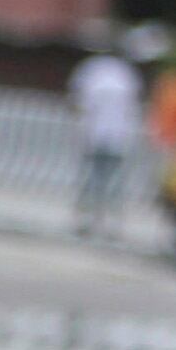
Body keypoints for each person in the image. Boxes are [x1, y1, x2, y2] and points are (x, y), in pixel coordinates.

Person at [68, 40, 144, 237]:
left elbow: (78, 102)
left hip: (101, 133)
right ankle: (103, 223)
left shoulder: (93, 70)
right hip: (111, 135)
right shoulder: (124, 74)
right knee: (105, 181)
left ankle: (93, 221)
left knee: (98, 180)